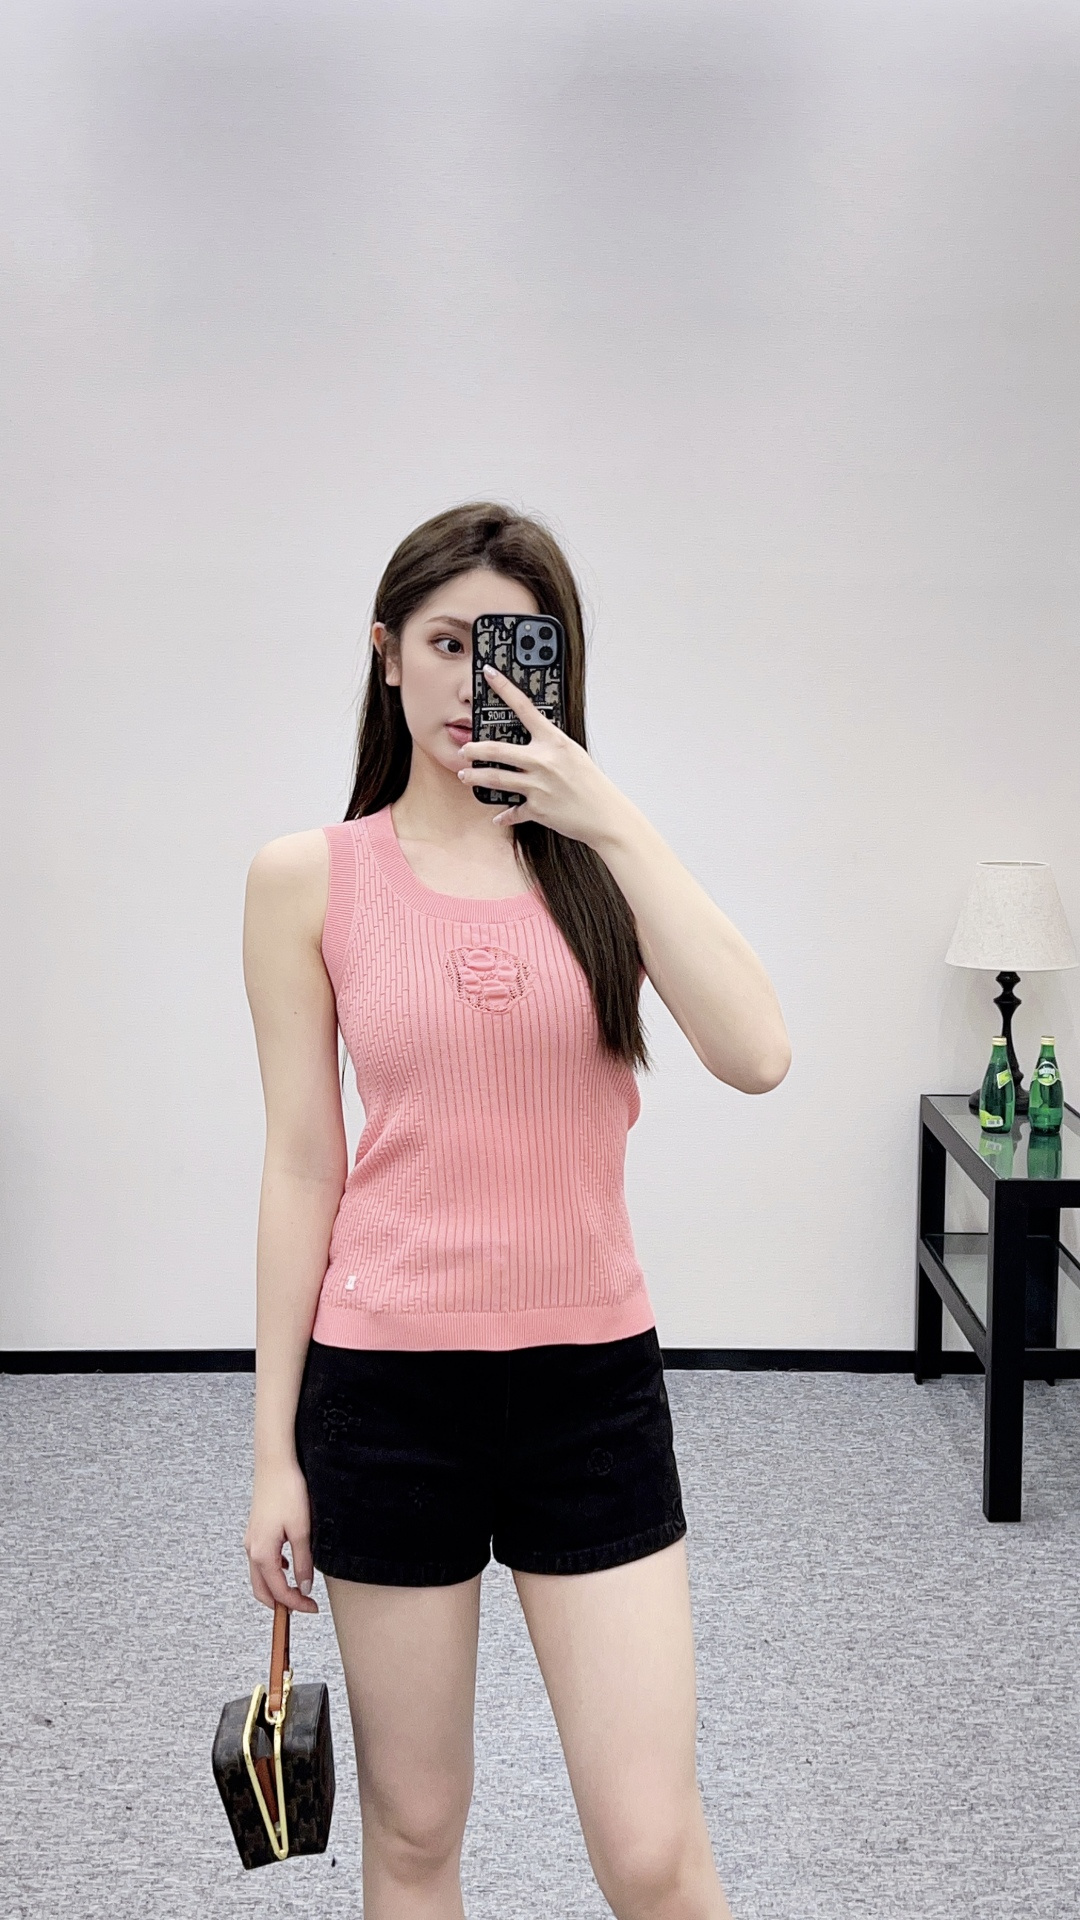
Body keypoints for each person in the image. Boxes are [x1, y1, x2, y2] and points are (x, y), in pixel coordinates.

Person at [241, 501, 791, 1920]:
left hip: (587, 1395)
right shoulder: (308, 879)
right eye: (443, 643)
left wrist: (604, 811)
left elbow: (758, 1054)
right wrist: (273, 1453)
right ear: (384, 654)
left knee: (652, 1848)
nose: (470, 681)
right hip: (387, 1397)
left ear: (555, 669)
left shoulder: (600, 865)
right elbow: (303, 1163)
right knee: (416, 1832)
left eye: (508, 650)